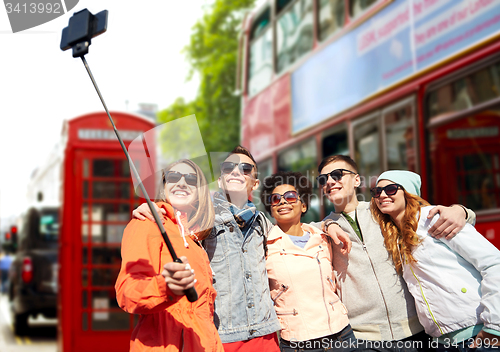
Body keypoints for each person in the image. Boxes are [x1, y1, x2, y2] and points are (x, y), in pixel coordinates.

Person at [316, 155, 476, 351]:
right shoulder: (319, 231)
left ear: (357, 180)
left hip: (414, 330)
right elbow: (297, 230)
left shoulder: (383, 209)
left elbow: (425, 214)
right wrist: (328, 223)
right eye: (323, 179)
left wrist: (462, 211)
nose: (330, 181)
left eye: (337, 175)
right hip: (363, 337)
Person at [133, 146, 282, 351]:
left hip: (266, 335)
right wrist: (153, 208)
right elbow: (176, 219)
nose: (237, 171)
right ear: (220, 181)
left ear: (255, 183)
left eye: (245, 168)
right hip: (223, 336)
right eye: (229, 167)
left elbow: (295, 235)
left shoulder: (263, 223)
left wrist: (329, 224)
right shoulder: (203, 219)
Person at [370, 170, 500, 352]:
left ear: (408, 193)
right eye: (376, 191)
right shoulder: (393, 236)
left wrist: (495, 326)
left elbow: (493, 263)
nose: (382, 195)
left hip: (478, 333)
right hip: (441, 343)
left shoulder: (434, 218)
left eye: (391, 189)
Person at [115, 159, 223, 351]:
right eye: (173, 177)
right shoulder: (147, 223)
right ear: (163, 187)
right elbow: (127, 293)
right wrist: (166, 286)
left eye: (191, 180)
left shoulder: (196, 241)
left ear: (200, 193)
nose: (181, 182)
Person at [261, 171, 359, 352]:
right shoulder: (264, 245)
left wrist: (328, 224)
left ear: (303, 205)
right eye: (275, 199)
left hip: (341, 334)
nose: (283, 201)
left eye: (290, 196)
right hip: (298, 342)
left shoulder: (323, 238)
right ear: (271, 209)